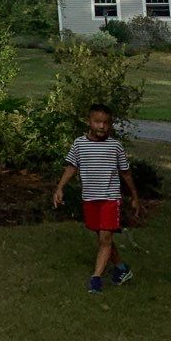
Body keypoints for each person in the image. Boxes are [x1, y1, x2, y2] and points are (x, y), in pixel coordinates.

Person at [52, 104, 141, 293]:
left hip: (110, 199)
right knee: (102, 238)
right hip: (90, 199)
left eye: (106, 123)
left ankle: (96, 279)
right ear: (89, 122)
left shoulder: (115, 146)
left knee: (105, 237)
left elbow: (125, 173)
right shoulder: (79, 144)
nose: (102, 126)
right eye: (97, 122)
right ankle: (121, 269)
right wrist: (60, 188)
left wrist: (134, 197)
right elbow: (71, 167)